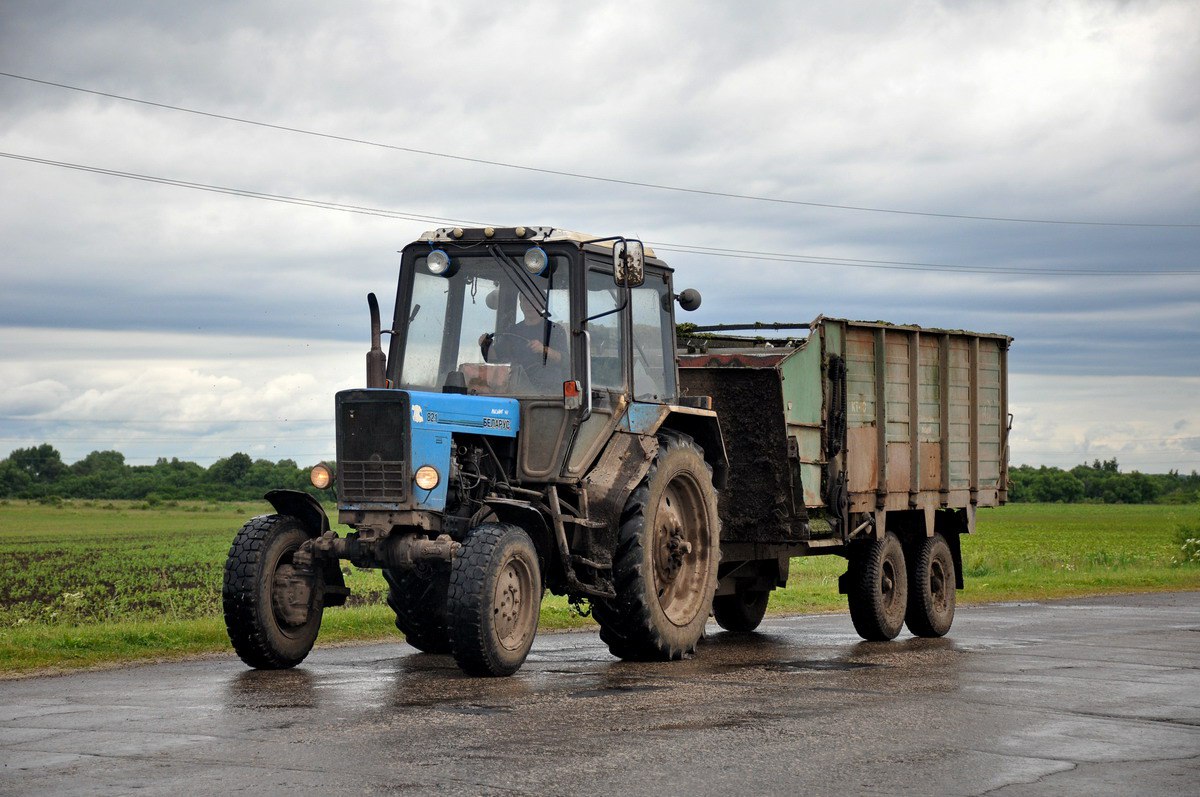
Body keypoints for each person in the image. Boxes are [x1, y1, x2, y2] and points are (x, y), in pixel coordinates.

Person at [479, 293, 568, 390]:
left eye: (535, 300)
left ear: (543, 304)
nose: (530, 304)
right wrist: (487, 346)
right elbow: (496, 362)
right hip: (516, 390)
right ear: (521, 304)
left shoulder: (555, 330)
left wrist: (544, 350)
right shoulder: (511, 331)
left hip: (548, 393)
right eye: (526, 300)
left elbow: (566, 361)